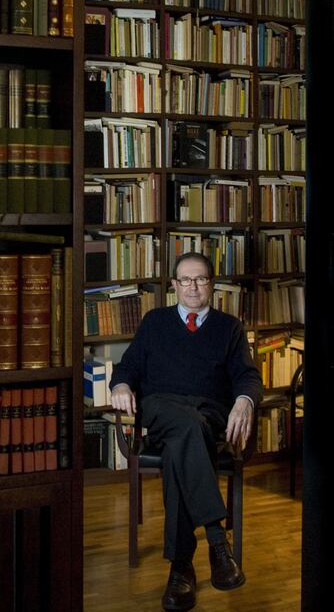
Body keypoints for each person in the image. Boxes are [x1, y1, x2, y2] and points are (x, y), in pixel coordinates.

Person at [110, 251, 263, 612]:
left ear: (212, 284)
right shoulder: (155, 321)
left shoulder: (229, 328)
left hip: (207, 414)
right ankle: (217, 544)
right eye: (186, 280)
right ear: (175, 285)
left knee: (188, 435)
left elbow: (248, 376)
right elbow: (129, 365)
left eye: (201, 279)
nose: (194, 287)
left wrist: (244, 400)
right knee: (185, 426)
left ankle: (181, 569)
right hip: (162, 408)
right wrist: (120, 386)